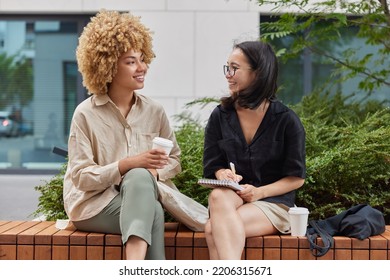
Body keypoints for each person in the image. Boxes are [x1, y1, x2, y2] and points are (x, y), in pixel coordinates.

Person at [63, 10, 181, 260]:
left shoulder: (154, 111)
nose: (142, 68)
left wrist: (155, 171)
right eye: (131, 62)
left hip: (139, 198)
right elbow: (81, 177)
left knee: (150, 203)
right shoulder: (85, 114)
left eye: (143, 59)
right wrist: (127, 165)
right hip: (94, 205)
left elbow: (175, 160)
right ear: (107, 66)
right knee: (147, 199)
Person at [203, 40, 306, 260]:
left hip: (273, 204)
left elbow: (296, 178)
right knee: (218, 195)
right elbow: (213, 165)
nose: (228, 74)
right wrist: (223, 174)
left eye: (235, 68)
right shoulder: (220, 115)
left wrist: (259, 192)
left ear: (258, 73)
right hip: (233, 198)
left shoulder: (286, 120)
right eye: (227, 67)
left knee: (214, 229)